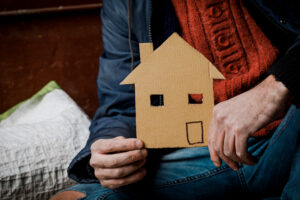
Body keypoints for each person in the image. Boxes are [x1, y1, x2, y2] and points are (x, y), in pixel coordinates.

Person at [51, 0, 300, 199]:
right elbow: (122, 104)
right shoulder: (125, 4)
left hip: (290, 131)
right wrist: (111, 148)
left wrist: (276, 87)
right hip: (208, 154)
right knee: (75, 197)